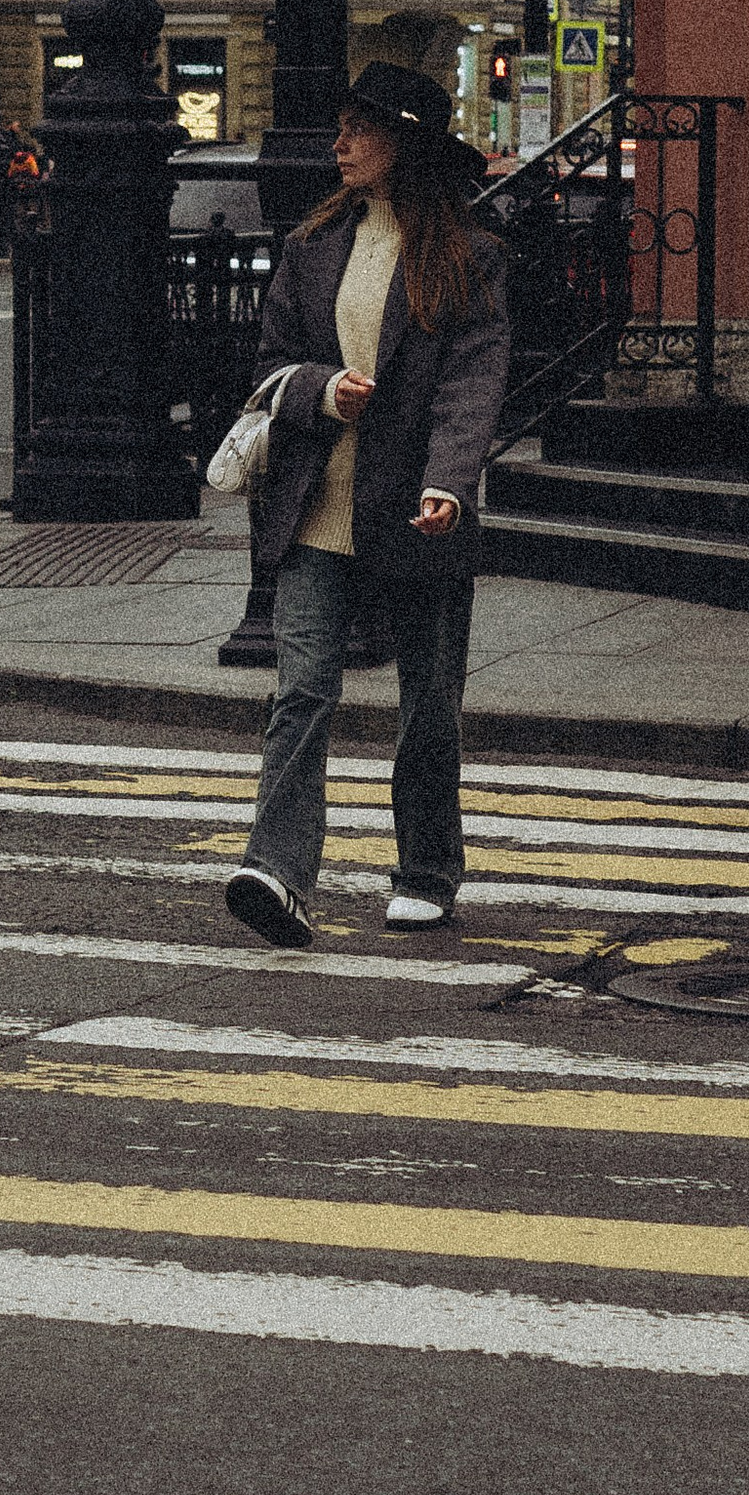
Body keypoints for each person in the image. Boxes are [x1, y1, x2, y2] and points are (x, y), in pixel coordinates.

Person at [224, 62, 511, 952]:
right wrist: (319, 389)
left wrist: (449, 482)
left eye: (359, 130)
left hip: (417, 504)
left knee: (429, 701)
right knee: (302, 688)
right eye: (340, 128)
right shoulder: (314, 246)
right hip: (317, 504)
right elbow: (268, 361)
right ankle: (278, 871)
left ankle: (427, 870)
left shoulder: (470, 252)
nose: (339, 145)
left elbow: (474, 380)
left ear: (405, 144)